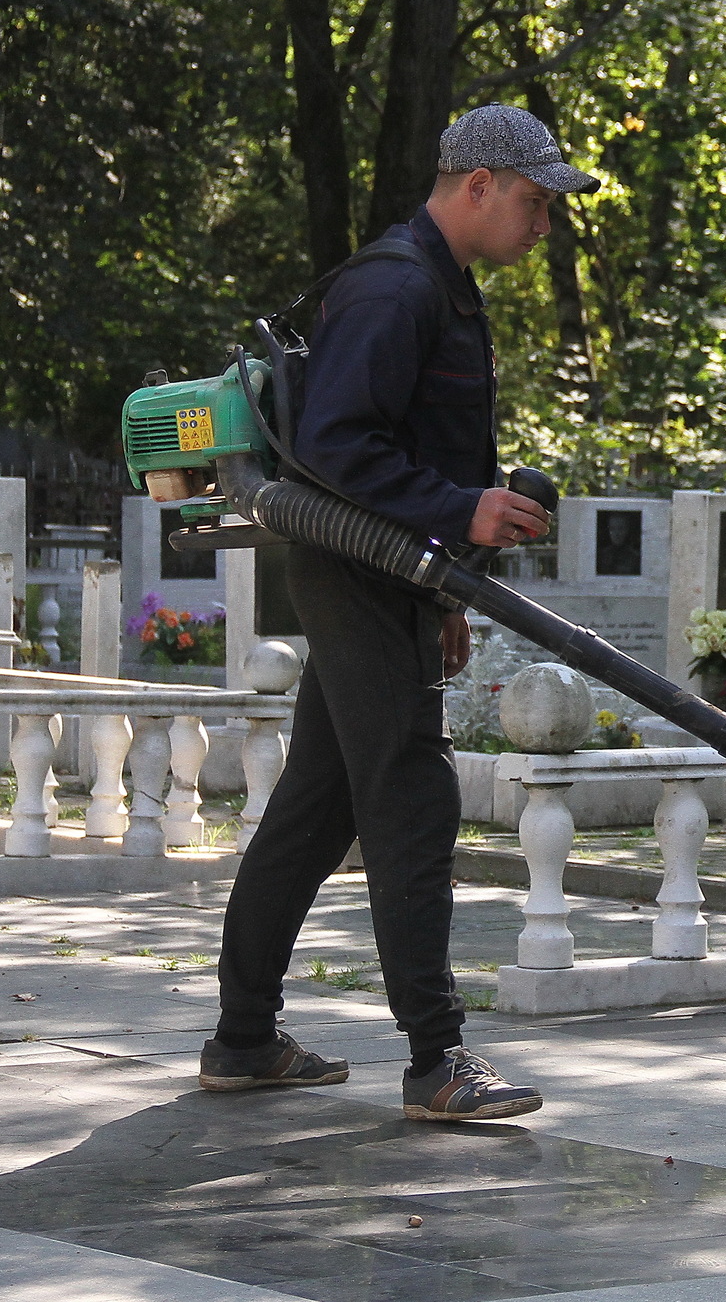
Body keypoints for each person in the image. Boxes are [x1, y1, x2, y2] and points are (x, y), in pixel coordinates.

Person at [200, 105, 597, 1121]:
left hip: (387, 573)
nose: (544, 222)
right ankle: (437, 1059)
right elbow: (338, 445)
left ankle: (243, 1039)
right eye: (535, 200)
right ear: (476, 183)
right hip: (353, 567)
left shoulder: (441, 286)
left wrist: (442, 575)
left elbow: (410, 448)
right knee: (415, 796)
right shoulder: (396, 285)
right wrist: (461, 512)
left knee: (316, 806)